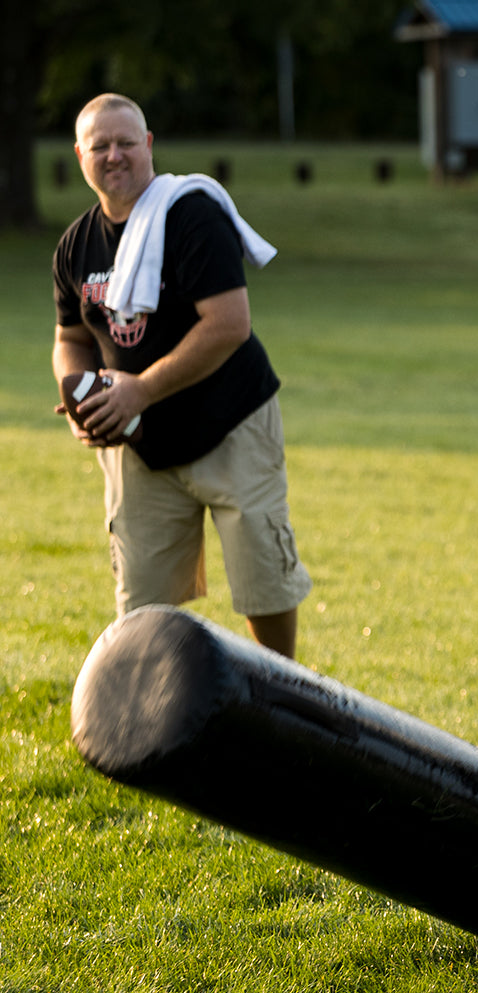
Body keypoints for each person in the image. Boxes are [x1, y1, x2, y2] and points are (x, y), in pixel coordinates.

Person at [52, 93, 311, 659]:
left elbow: (228, 326)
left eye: (126, 143)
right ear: (80, 155)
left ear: (148, 146)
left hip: (229, 420)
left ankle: (282, 691)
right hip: (138, 439)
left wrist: (139, 390)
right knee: (141, 598)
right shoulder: (76, 243)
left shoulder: (192, 215)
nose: (115, 155)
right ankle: (152, 715)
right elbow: (71, 337)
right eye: (101, 146)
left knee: (262, 580)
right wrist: (80, 397)